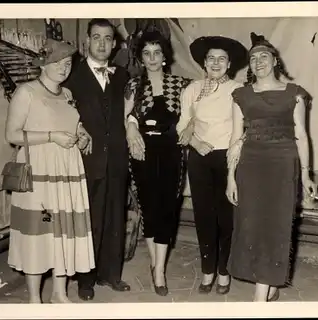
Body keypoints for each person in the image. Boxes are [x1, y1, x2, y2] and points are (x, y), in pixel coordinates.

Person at [225, 32, 318, 302]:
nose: (258, 62)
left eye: (263, 56)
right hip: (250, 166)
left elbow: (301, 134)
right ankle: (269, 282)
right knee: (252, 226)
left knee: (275, 226)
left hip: (282, 165)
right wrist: (230, 176)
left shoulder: (294, 94)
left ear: (275, 60)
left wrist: (306, 175)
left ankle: (260, 297)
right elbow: (234, 138)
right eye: (253, 58)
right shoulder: (240, 95)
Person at [5, 39, 94, 303]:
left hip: (66, 170)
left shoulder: (67, 94)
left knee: (61, 230)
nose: (63, 68)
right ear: (43, 64)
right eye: (57, 62)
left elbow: (70, 123)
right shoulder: (27, 92)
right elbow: (12, 134)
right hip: (40, 173)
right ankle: (35, 299)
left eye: (67, 63)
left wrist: (82, 133)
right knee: (40, 230)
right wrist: (52, 136)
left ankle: (59, 294)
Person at [63, 18, 131, 301]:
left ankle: (110, 274)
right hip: (86, 159)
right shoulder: (71, 78)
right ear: (87, 42)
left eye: (107, 38)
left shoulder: (123, 76)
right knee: (90, 219)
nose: (102, 43)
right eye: (96, 37)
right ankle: (85, 279)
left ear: (114, 44)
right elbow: (63, 114)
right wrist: (77, 131)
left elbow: (130, 111)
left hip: (116, 158)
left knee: (115, 216)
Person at [176, 36, 248, 295]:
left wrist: (232, 154)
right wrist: (195, 142)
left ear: (229, 64)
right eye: (211, 58)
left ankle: (224, 271)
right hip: (200, 157)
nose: (216, 63)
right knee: (204, 216)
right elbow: (182, 125)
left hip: (229, 159)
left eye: (221, 59)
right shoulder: (193, 89)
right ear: (204, 63)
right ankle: (208, 270)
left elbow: (243, 129)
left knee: (227, 218)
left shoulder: (239, 90)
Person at [124, 30, 191, 296]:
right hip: (142, 152)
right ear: (141, 58)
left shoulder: (181, 84)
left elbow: (194, 113)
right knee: (149, 208)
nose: (152, 58)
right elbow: (126, 115)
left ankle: (159, 269)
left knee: (167, 210)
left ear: (165, 56)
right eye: (146, 53)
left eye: (157, 53)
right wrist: (130, 127)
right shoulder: (133, 85)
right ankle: (157, 265)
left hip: (172, 153)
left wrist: (192, 125)